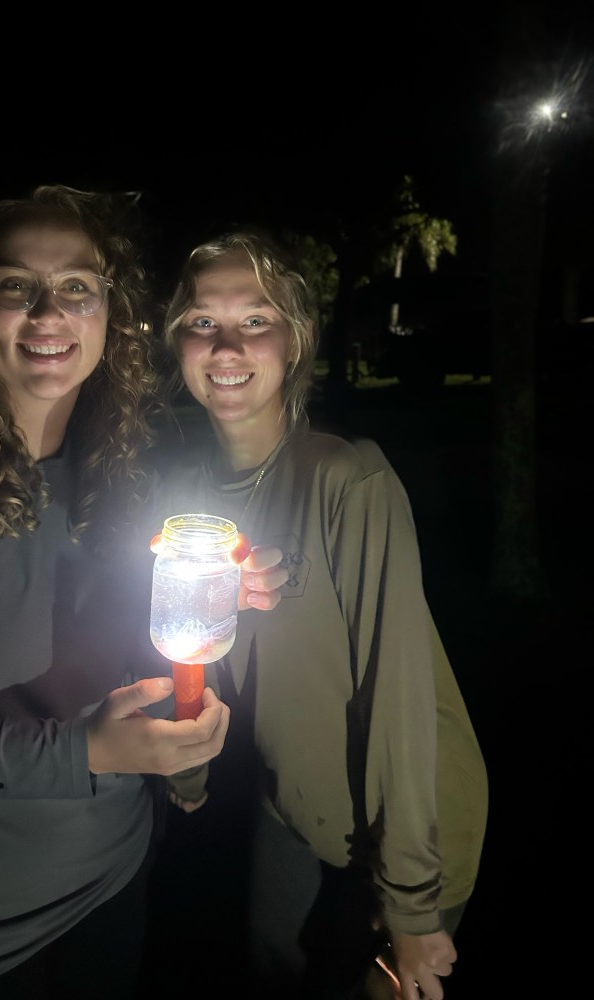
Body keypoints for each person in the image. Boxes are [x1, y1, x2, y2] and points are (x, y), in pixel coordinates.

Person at [0, 187, 287, 1000]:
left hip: (110, 887)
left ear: (111, 314)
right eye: (15, 284)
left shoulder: (124, 470)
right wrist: (82, 754)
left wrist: (218, 613)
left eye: (78, 286)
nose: (49, 311)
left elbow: (124, 671)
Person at [146, 230, 489, 1000]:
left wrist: (408, 901)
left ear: (295, 343)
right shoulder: (190, 505)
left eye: (257, 319)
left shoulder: (348, 478)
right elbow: (195, 645)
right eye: (202, 321)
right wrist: (190, 771)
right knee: (273, 973)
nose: (227, 343)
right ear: (176, 343)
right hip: (288, 808)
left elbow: (399, 695)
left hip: (411, 817)